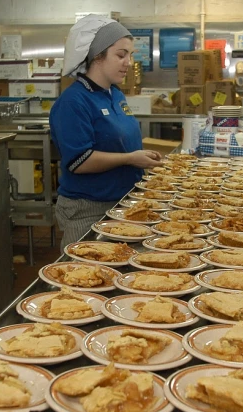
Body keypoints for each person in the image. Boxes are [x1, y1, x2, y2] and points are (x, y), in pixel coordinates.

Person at [50, 15, 162, 248]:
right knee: (82, 275)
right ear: (97, 56)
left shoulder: (115, 94)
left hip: (122, 202)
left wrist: (141, 158)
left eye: (130, 55)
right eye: (120, 55)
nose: (128, 62)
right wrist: (130, 158)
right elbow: (79, 161)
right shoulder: (73, 101)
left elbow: (119, 141)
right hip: (88, 210)